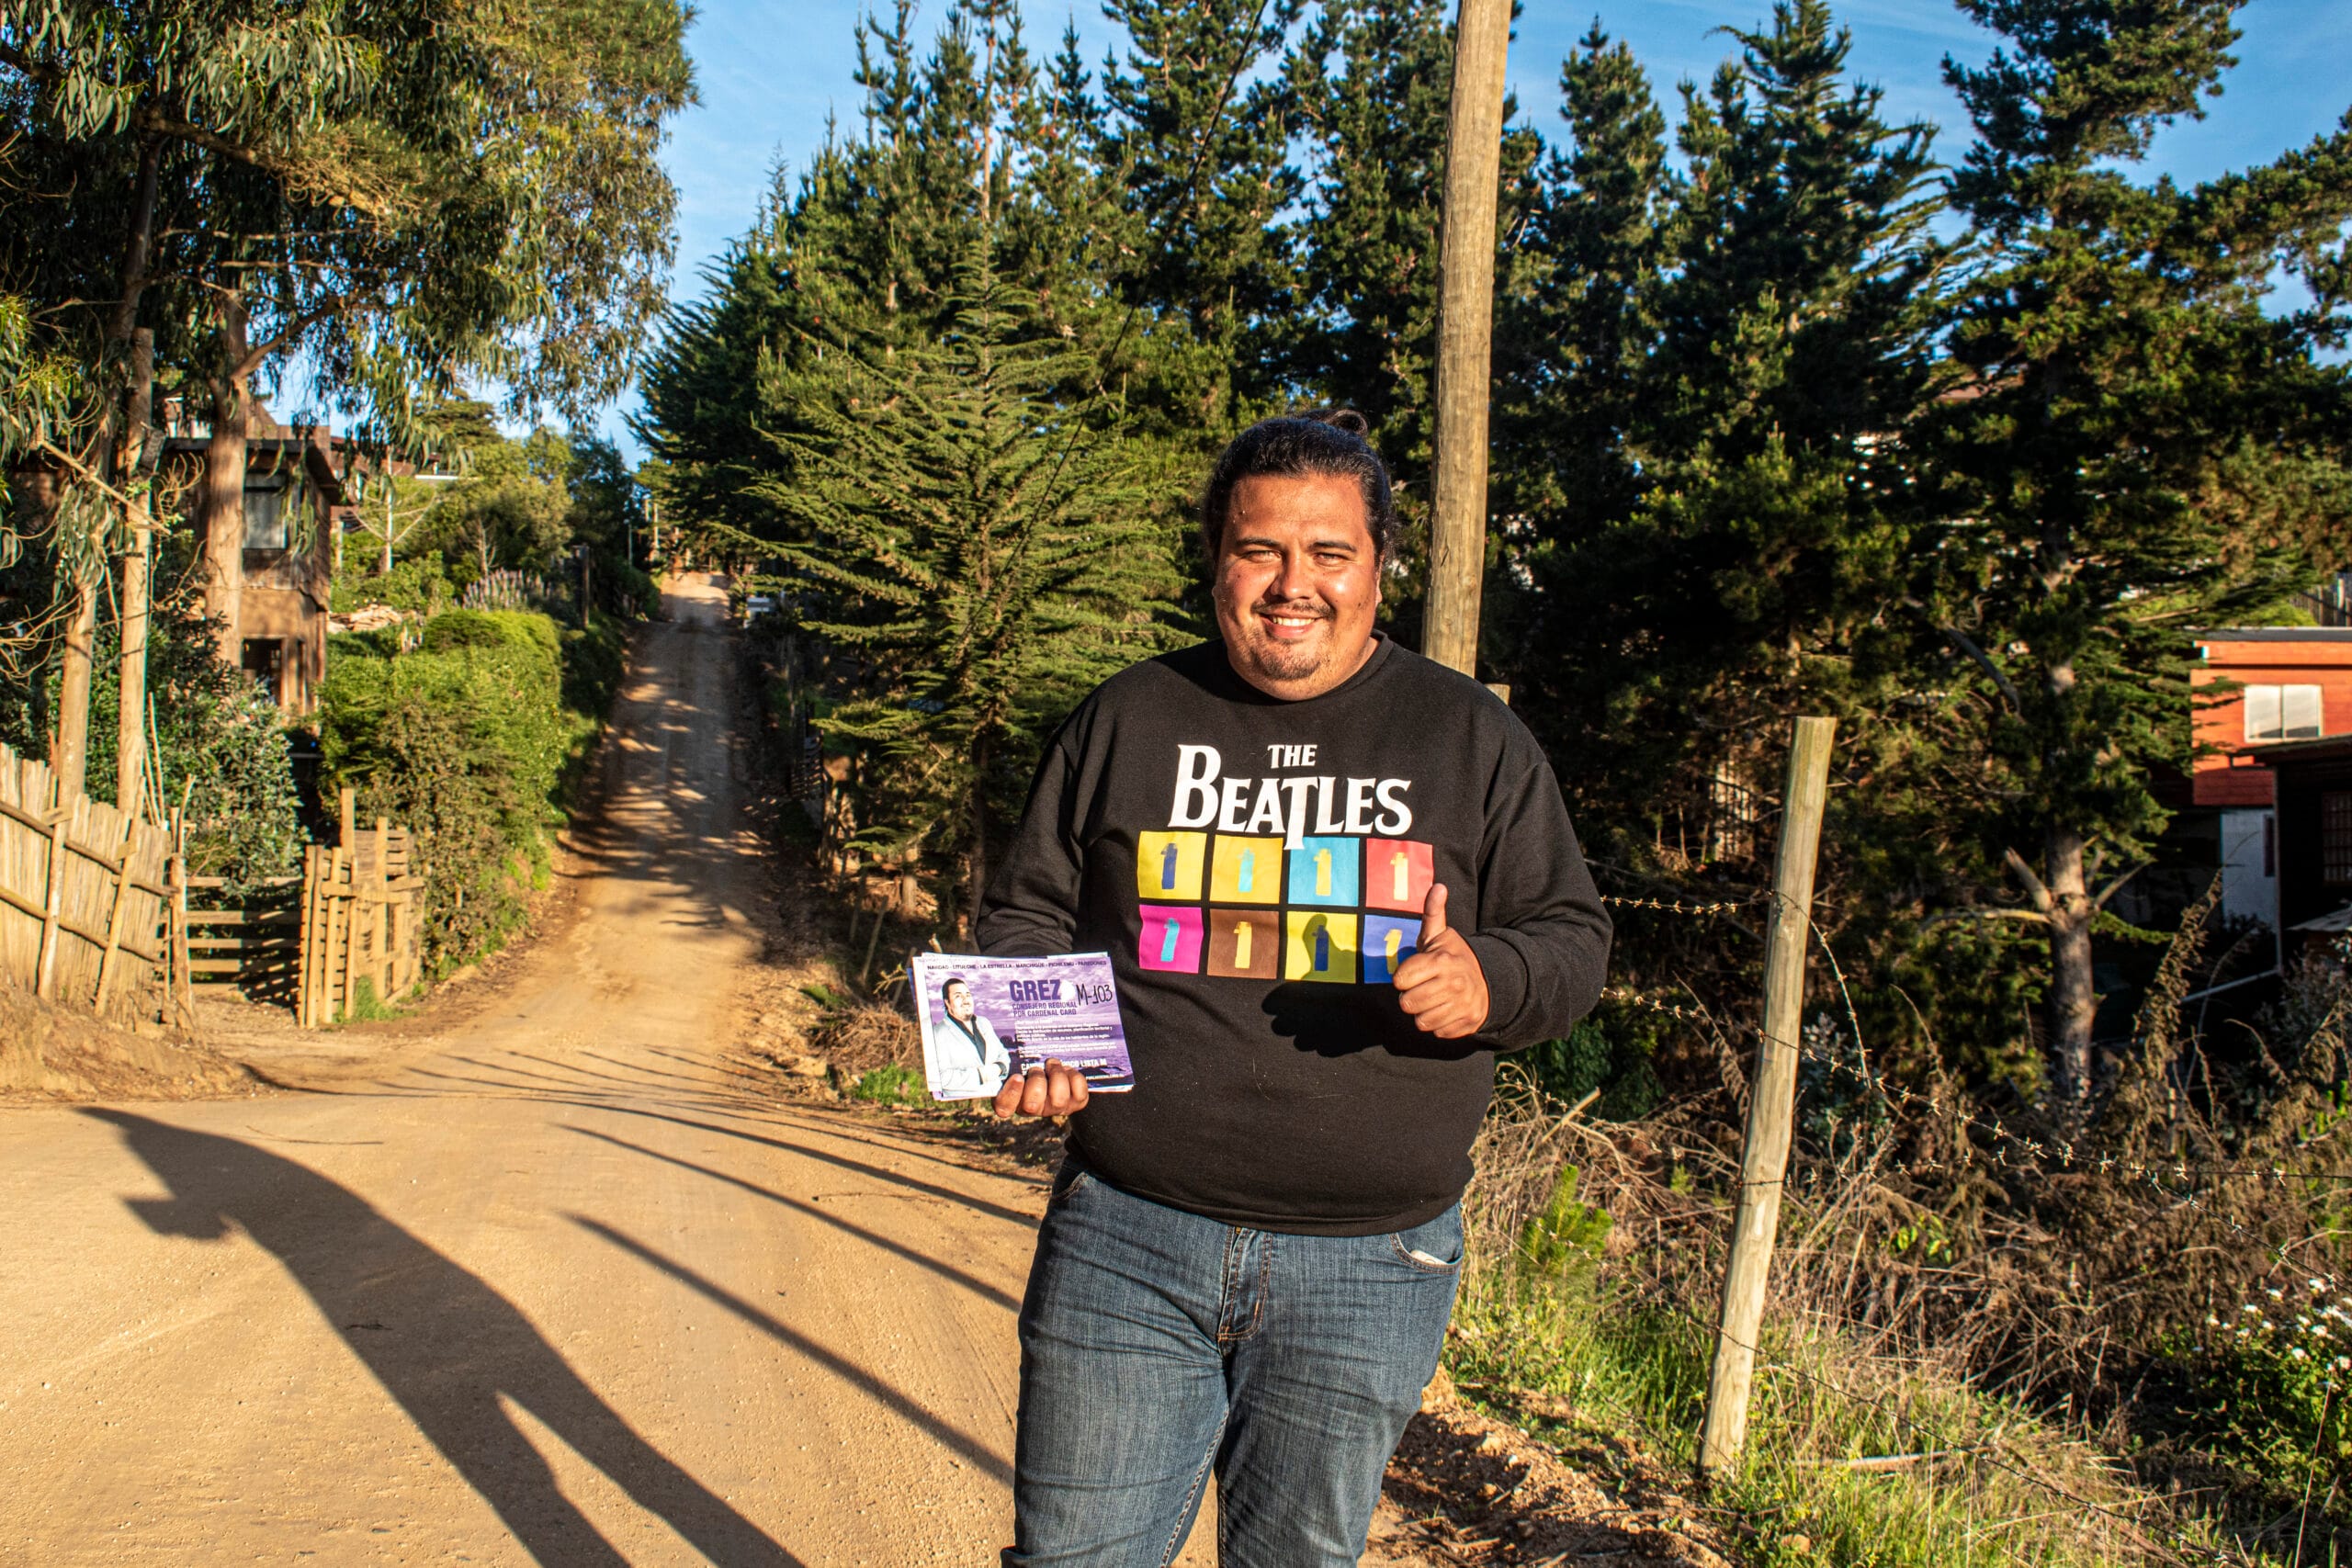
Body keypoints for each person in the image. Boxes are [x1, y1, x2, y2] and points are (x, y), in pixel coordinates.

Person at [978, 410, 1612, 1567]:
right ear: (1217, 561)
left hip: (1370, 1266)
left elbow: (1571, 938)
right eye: (1259, 549)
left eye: (1328, 553)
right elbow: (1028, 910)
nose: (1291, 584)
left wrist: (1493, 980)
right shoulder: (1127, 718)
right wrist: (1030, 1035)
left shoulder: (1471, 736)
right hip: (1126, 1238)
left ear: (1377, 569)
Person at [932, 976, 1012, 1097]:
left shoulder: (984, 1022)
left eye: (968, 995)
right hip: (962, 1101)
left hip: (997, 1094)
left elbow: (1003, 1053)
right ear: (947, 1002)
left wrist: (1001, 1067)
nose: (966, 1000)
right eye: (958, 996)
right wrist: (981, 1075)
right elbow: (941, 1077)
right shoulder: (938, 1033)